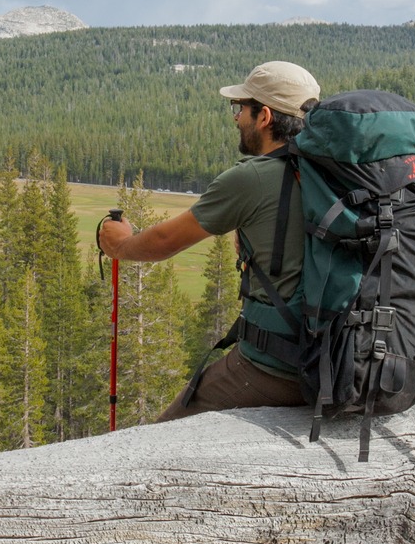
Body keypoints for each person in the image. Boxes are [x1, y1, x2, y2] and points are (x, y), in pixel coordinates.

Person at [98, 61, 321, 421]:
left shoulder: (252, 178)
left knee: (163, 434)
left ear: (264, 116)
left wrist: (120, 244)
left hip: (279, 365)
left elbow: (165, 241)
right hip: (339, 352)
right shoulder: (330, 170)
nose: (236, 118)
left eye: (240, 109)